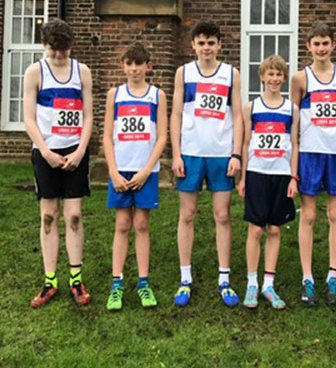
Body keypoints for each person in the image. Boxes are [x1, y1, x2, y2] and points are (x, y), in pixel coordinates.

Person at [170, 22, 243, 307]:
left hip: (221, 153)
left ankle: (224, 278)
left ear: (219, 45)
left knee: (222, 215)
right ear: (193, 45)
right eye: (201, 43)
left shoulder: (231, 74)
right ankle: (185, 277)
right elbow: (175, 114)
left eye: (211, 42)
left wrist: (236, 154)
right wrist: (176, 154)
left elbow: (238, 115)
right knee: (187, 214)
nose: (206, 48)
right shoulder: (184, 73)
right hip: (189, 152)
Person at [23, 18, 93, 308]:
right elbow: (28, 117)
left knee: (74, 215)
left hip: (75, 151)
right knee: (49, 215)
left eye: (63, 51)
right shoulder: (35, 72)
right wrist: (46, 152)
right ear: (44, 46)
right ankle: (50, 279)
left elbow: (88, 116)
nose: (59, 56)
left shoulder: (82, 72)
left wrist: (79, 152)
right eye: (54, 51)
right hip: (46, 152)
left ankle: (76, 278)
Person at [290, 24, 336, 306]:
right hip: (310, 153)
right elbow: (293, 120)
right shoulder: (300, 78)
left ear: (333, 45)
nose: (321, 48)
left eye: (325, 43)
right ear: (308, 46)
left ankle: (333, 274)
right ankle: (307, 277)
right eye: (316, 43)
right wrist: (293, 154)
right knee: (308, 215)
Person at [102, 43, 167, 311]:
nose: (134, 69)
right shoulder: (114, 95)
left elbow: (162, 136)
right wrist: (113, 170)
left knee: (141, 224)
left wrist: (146, 170)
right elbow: (106, 135)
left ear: (148, 66)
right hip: (121, 169)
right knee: (122, 225)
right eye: (129, 64)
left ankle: (143, 282)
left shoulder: (156, 95)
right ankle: (116, 284)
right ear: (122, 65)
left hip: (145, 170)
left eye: (139, 64)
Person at [238, 55, 299, 310]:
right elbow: (245, 142)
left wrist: (293, 177)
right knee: (255, 229)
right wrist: (242, 177)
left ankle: (268, 284)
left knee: (274, 229)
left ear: (284, 78)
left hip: (281, 174)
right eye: (270, 74)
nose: (274, 79)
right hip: (256, 173)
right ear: (261, 77)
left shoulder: (291, 109)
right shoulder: (251, 107)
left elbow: (295, 144)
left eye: (278, 75)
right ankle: (252, 283)